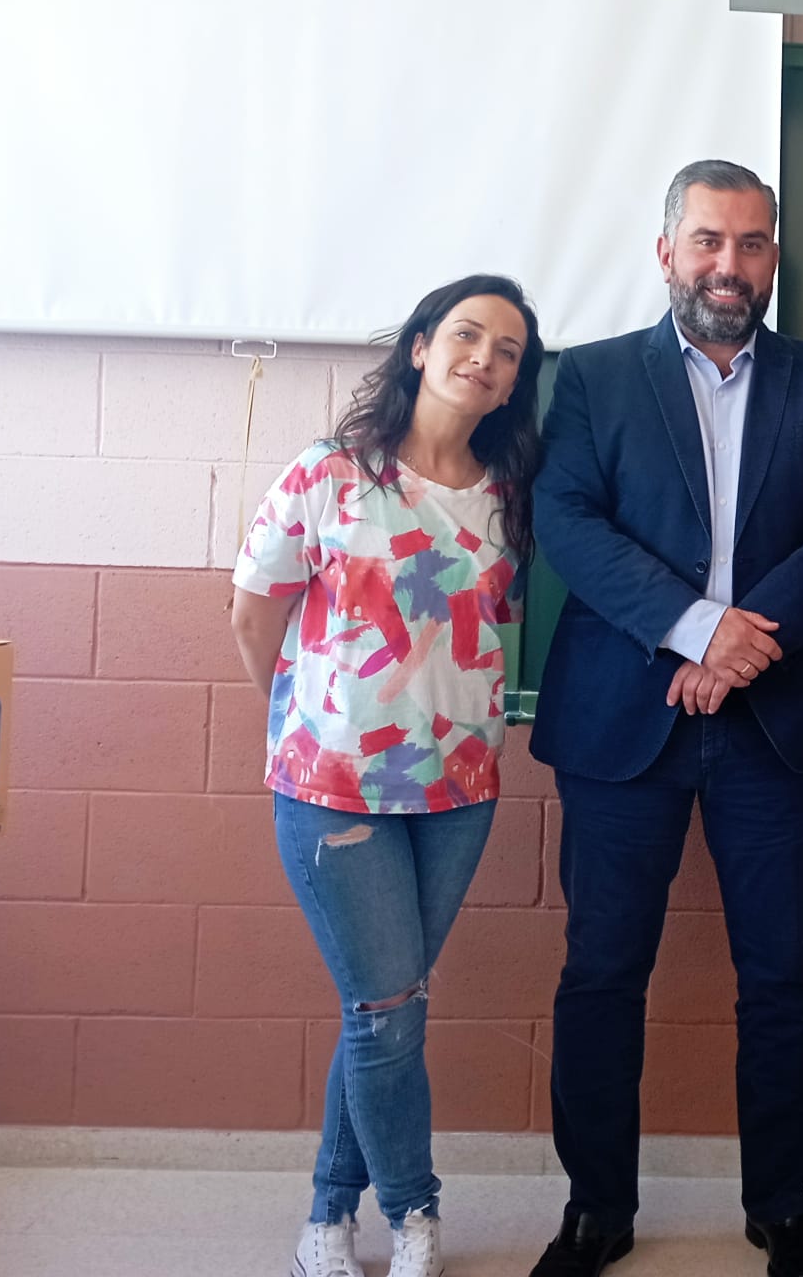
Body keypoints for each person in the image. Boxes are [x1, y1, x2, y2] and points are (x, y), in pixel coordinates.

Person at [527, 159, 803, 1277]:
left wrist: (741, 643)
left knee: (781, 975)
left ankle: (780, 1204)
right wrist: (694, 629)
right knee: (601, 972)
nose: (731, 265)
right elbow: (568, 522)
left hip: (771, 722)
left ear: (774, 256)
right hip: (621, 720)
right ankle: (597, 1209)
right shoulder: (589, 380)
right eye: (710, 241)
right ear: (667, 251)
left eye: (754, 243)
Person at [229, 275, 545, 1277]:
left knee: (388, 1010)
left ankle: (328, 1211)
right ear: (418, 346)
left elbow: (499, 629)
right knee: (386, 1011)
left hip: (457, 793)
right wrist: (306, 716)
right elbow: (253, 611)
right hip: (332, 791)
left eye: (507, 351)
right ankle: (412, 1212)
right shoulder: (331, 473)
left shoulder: (511, 496)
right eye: (465, 335)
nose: (483, 359)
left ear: (513, 384)